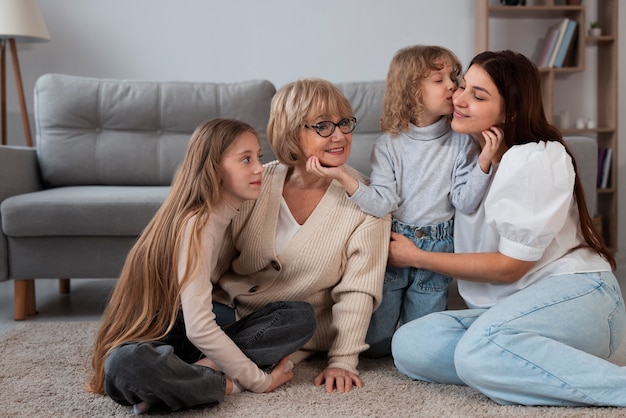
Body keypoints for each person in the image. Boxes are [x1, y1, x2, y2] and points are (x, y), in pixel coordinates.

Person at [389, 50, 626, 407]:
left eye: (478, 96)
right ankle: (518, 362)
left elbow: (510, 267)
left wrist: (418, 258)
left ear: (511, 111)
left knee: (477, 351)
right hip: (507, 312)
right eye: (463, 86)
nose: (459, 98)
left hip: (580, 296)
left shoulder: (534, 157)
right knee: (410, 344)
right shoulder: (471, 158)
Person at [87, 118, 316, 414]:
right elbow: (199, 328)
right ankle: (216, 383)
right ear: (214, 167)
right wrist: (257, 381)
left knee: (299, 316)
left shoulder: (229, 209)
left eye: (258, 156)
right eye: (246, 159)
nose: (259, 167)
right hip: (154, 340)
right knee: (124, 366)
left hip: (186, 343)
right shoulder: (198, 223)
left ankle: (186, 378)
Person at [307, 45, 498, 358]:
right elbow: (382, 202)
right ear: (412, 91)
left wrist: (484, 161)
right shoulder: (389, 145)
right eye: (439, 80)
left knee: (420, 339)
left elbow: (465, 202)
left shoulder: (462, 142)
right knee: (376, 343)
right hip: (393, 244)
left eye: (453, 77)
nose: (453, 85)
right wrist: (342, 177)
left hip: (437, 249)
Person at [212, 78, 391, 393]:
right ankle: (199, 370)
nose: (339, 135)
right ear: (292, 132)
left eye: (344, 123)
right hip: (228, 310)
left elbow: (358, 290)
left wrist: (342, 361)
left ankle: (207, 368)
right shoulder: (259, 180)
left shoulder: (369, 204)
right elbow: (216, 256)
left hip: (285, 328)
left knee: (296, 317)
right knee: (162, 320)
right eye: (323, 126)